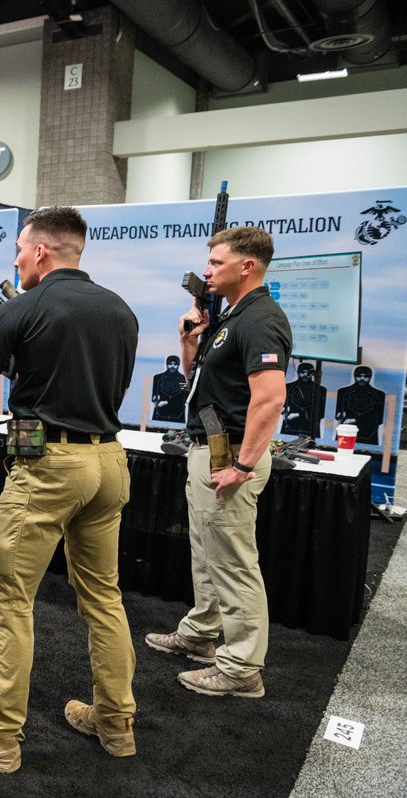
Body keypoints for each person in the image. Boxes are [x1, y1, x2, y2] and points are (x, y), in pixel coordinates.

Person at [0, 206, 139, 773]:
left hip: (48, 466)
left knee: (10, 599)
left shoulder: (21, 309)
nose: (17, 259)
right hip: (108, 460)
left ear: (42, 252)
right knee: (104, 596)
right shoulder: (119, 310)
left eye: (20, 250)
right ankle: (115, 722)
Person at [145, 226, 291, 700]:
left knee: (233, 563)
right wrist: (189, 342)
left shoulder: (260, 319)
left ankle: (242, 668)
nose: (206, 271)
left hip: (231, 457)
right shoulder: (232, 317)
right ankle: (201, 635)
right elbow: (200, 383)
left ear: (247, 266)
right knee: (207, 555)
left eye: (216, 263)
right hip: (209, 448)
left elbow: (269, 400)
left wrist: (244, 467)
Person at [335, 365, 385, 444]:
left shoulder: (379, 395)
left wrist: (357, 420)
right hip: (346, 431)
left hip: (369, 433)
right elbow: (337, 413)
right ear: (354, 376)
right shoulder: (343, 392)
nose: (362, 379)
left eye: (366, 376)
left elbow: (379, 419)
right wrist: (340, 415)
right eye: (359, 376)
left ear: (370, 377)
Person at [281, 361, 327, 438]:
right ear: (298, 372)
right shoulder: (288, 387)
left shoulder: (321, 390)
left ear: (313, 373)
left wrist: (300, 414)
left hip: (310, 428)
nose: (305, 375)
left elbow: (320, 413)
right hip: (290, 427)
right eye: (302, 372)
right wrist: (283, 408)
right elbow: (282, 407)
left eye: (308, 373)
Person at [151, 355, 189, 423]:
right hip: (160, 412)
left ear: (178, 365)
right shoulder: (157, 378)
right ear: (167, 364)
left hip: (177, 413)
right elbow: (154, 395)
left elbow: (184, 398)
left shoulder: (183, 379)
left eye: (175, 364)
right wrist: (155, 397)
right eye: (170, 364)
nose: (172, 366)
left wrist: (168, 402)